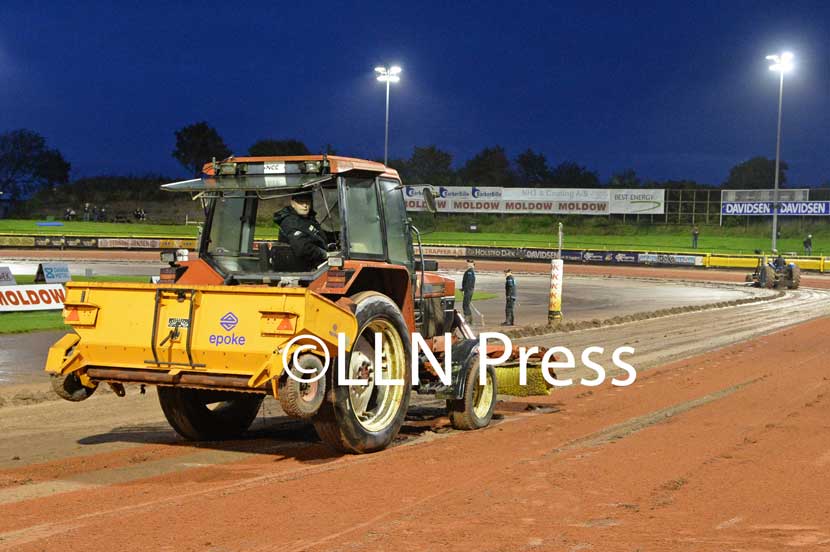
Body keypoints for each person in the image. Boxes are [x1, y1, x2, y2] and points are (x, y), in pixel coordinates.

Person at [273, 192, 327, 268]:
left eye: (307, 202)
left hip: (314, 262)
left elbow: (316, 236)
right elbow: (302, 248)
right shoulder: (290, 222)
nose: (305, 205)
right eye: (301, 202)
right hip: (299, 267)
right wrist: (324, 254)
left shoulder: (309, 219)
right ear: (293, 204)